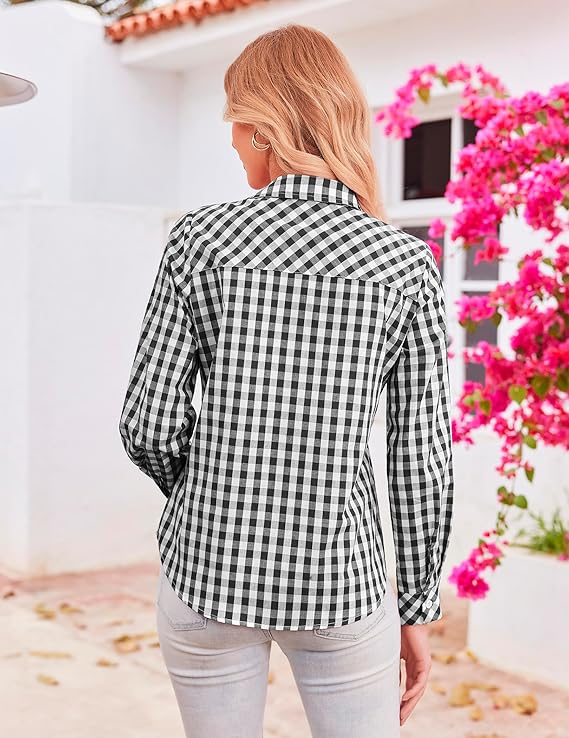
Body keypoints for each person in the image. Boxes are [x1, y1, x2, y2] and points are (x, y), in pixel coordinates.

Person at [118, 23, 454, 738]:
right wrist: (417, 608)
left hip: (206, 573)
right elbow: (420, 458)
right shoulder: (404, 265)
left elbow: (148, 424)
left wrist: (213, 494)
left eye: (235, 121)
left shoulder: (199, 241)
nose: (232, 139)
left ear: (267, 126)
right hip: (341, 582)